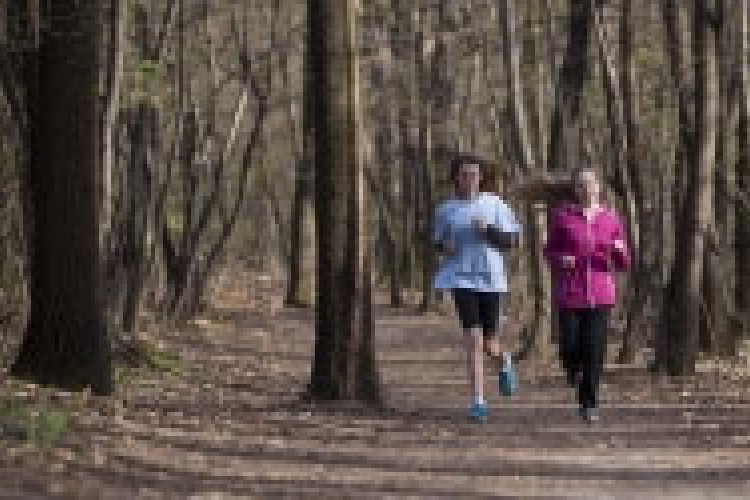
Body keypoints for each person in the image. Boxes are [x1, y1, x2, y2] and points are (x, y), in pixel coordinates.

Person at [432, 154, 520, 422]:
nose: (469, 179)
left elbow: (512, 240)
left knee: (489, 343)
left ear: (482, 177)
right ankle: (478, 401)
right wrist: (443, 247)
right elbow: (437, 240)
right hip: (461, 278)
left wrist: (489, 230)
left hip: (491, 278)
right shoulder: (445, 210)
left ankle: (503, 360)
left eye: (474, 174)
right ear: (456, 178)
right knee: (473, 338)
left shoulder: (495, 204)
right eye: (464, 174)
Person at [540, 167, 631, 422]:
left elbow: (624, 263)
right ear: (576, 190)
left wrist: (618, 251)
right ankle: (572, 368)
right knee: (569, 345)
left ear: (599, 187)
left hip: (601, 293)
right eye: (581, 184)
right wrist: (561, 259)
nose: (586, 188)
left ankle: (589, 403)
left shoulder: (611, 219)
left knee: (595, 349)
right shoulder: (563, 217)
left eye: (590, 183)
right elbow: (548, 251)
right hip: (570, 291)